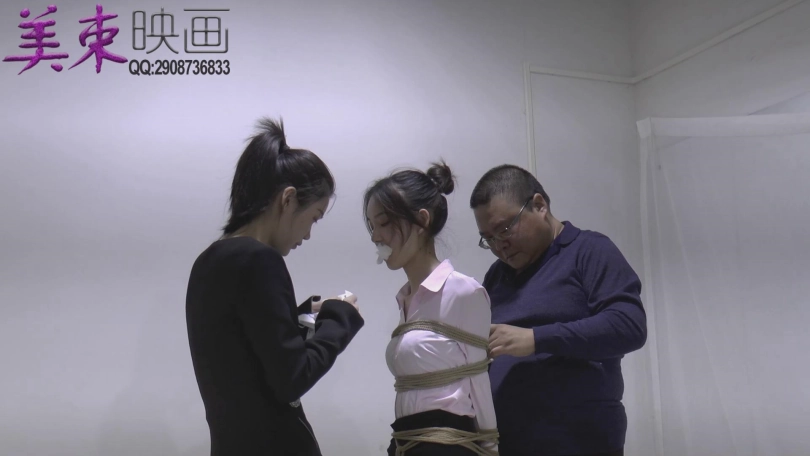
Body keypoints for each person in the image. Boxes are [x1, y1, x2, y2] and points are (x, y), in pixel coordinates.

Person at [185, 117, 365, 456]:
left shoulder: (208, 261)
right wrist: (340, 318)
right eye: (314, 217)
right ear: (288, 199)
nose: (307, 234)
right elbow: (292, 377)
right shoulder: (260, 260)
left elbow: (246, 347)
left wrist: (303, 314)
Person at [469, 164, 647, 456]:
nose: (500, 246)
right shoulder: (496, 275)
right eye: (488, 238)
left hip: (580, 443)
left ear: (539, 205)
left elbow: (629, 326)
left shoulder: (589, 250)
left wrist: (536, 339)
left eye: (504, 230)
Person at [364, 161, 499, 456]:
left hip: (447, 445)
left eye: (384, 223)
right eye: (372, 226)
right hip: (407, 441)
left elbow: (478, 377)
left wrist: (489, 447)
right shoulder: (406, 298)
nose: (375, 236)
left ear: (422, 220)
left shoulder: (462, 291)